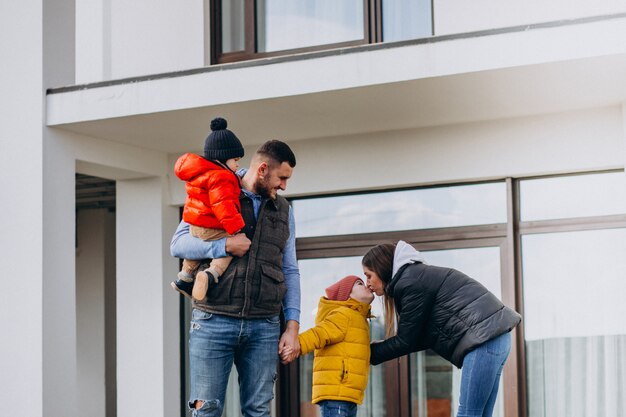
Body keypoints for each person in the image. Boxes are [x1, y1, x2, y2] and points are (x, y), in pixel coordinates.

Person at [170, 139, 301, 417]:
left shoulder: (285, 211)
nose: (284, 186)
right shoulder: (216, 187)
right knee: (206, 411)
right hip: (213, 320)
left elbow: (290, 269)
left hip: (264, 325)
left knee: (259, 411)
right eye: (282, 178)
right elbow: (178, 245)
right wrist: (223, 247)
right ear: (263, 169)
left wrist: (291, 327)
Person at [362, 240, 521, 417]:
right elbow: (418, 338)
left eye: (369, 275)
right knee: (480, 413)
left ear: (381, 267)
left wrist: (366, 353)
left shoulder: (410, 282)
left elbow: (405, 341)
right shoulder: (415, 276)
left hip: (484, 339)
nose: (367, 283)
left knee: (468, 413)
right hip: (495, 337)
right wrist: (379, 347)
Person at [171, 117, 245, 301]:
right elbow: (223, 205)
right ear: (222, 158)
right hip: (212, 225)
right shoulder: (222, 177)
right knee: (230, 248)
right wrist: (235, 229)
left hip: (194, 226)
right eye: (235, 160)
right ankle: (211, 273)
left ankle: (184, 278)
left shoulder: (199, 175)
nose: (237, 165)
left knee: (195, 254)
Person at [281, 275, 374, 417]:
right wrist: (295, 345)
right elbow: (319, 334)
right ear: (347, 294)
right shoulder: (344, 314)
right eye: (360, 283)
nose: (366, 285)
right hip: (336, 391)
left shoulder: (359, 319)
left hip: (348, 394)